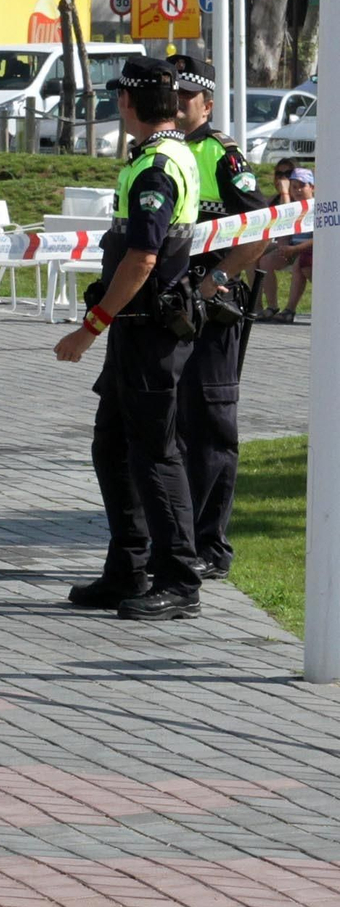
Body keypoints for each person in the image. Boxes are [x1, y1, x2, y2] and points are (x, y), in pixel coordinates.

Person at [55, 56, 202, 622]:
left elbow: (142, 257)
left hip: (148, 332)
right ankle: (128, 569)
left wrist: (89, 330)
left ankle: (179, 580)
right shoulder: (164, 156)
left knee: (154, 455)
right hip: (138, 331)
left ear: (125, 103)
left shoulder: (156, 168)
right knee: (113, 448)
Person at [170, 55, 269, 583]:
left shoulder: (222, 156)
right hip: (170, 309)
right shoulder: (164, 153)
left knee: (211, 427)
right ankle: (179, 537)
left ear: (207, 103)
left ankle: (210, 544)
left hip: (211, 311)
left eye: (187, 96)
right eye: (172, 94)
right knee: (173, 427)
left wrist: (216, 280)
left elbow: (260, 230)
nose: (178, 104)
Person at [264, 167, 316, 324]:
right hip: (292, 249)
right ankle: (272, 306)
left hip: (308, 250)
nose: (298, 190)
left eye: (302, 186)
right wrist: (283, 245)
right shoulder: (292, 207)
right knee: (264, 261)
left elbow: (319, 239)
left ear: (312, 187)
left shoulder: (317, 207)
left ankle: (289, 310)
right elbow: (284, 231)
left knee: (298, 265)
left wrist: (294, 249)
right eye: (294, 186)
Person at [254, 158, 301, 315]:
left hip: (299, 245)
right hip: (280, 244)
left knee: (265, 260)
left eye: (287, 174)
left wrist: (286, 193)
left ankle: (275, 307)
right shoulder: (273, 200)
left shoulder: (301, 197)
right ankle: (258, 307)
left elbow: (286, 221)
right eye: (279, 174)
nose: (282, 178)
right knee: (250, 255)